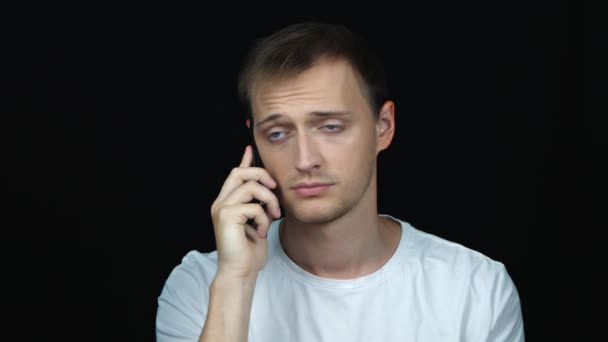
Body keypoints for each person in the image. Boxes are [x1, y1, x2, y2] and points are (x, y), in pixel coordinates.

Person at [156, 22, 525, 342]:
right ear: (255, 141)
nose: (305, 160)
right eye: (279, 134)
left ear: (384, 128)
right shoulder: (202, 286)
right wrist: (236, 280)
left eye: (331, 127)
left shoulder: (474, 288)